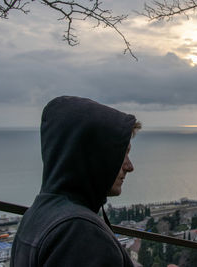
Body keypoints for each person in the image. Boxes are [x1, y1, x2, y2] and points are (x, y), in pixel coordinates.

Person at [11, 96, 141, 267]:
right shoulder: (80, 232)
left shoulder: (37, 214)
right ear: (92, 156)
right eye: (122, 154)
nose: (129, 166)